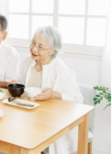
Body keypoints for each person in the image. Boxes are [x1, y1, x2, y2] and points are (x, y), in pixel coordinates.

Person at [19, 26, 83, 154]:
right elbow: (22, 89)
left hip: (51, 124)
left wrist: (55, 95)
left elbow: (78, 100)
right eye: (33, 43)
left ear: (52, 51)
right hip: (26, 117)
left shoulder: (62, 70)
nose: (34, 49)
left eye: (40, 46)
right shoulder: (27, 62)